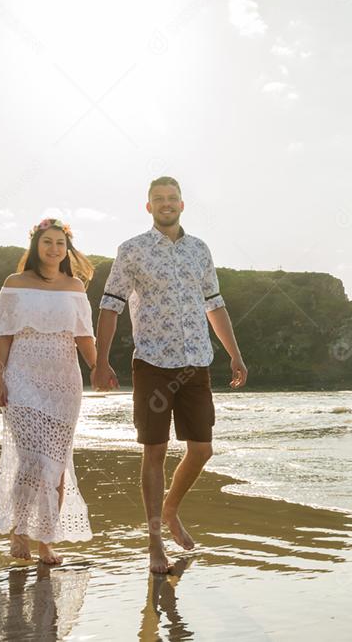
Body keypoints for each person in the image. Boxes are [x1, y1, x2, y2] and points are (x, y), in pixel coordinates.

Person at [92, 176, 248, 574]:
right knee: (155, 451)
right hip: (152, 364)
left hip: (196, 360)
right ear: (149, 207)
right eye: (159, 199)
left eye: (172, 198)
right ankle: (155, 541)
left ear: (182, 204)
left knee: (201, 449)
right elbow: (110, 306)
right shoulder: (132, 250)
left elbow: (215, 304)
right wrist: (101, 359)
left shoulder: (200, 250)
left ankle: (171, 508)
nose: (166, 204)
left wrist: (235, 354)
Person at [0, 217, 98, 565]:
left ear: (67, 249)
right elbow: (3, 336)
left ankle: (46, 539)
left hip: (64, 381)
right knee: (32, 461)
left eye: (60, 244)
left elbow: (84, 338)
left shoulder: (76, 287)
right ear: (36, 246)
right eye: (47, 242)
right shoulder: (15, 283)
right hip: (22, 377)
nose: (53, 249)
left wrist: (101, 368)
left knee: (57, 464)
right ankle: (20, 530)